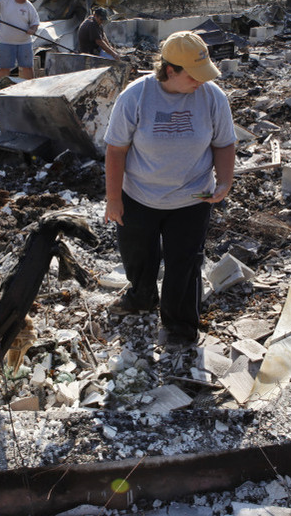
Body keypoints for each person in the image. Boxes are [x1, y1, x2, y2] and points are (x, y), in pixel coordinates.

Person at [103, 31, 236, 348]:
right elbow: (115, 150)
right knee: (138, 257)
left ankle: (178, 326)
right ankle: (141, 298)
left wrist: (225, 181)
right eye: (194, 75)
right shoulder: (135, 97)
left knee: (184, 264)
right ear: (170, 70)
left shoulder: (212, 97)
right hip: (139, 197)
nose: (200, 82)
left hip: (192, 199)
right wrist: (113, 199)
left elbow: (225, 143)